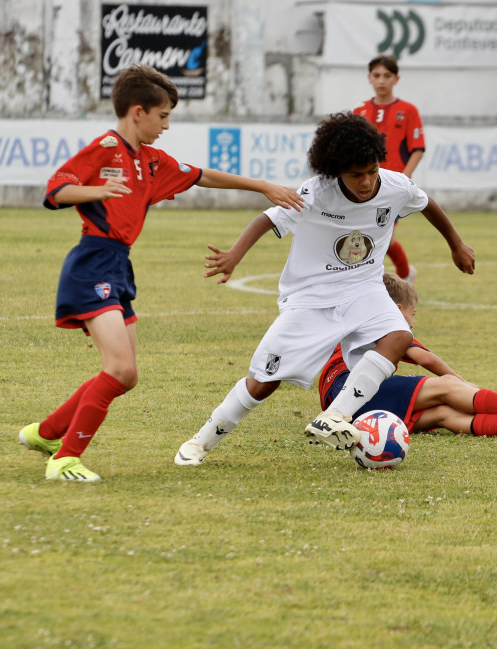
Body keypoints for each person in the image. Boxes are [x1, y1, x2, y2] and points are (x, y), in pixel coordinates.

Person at [18, 64, 306, 483]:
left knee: (126, 375)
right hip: (91, 263)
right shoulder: (105, 147)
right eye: (163, 116)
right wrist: (97, 189)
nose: (166, 125)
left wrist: (262, 186)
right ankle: (64, 459)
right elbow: (56, 190)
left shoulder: (150, 161)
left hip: (118, 265)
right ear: (138, 112)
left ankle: (44, 434)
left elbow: (201, 175)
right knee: (118, 369)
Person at [174, 111, 474, 467]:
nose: (365, 182)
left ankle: (335, 416)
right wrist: (234, 255)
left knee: (398, 335)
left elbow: (427, 205)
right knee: (264, 382)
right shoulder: (315, 192)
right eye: (355, 175)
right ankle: (202, 440)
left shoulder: (396, 187)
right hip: (310, 296)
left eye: (371, 171)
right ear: (335, 171)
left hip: (364, 285)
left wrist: (456, 244)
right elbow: (266, 219)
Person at [318, 274, 497, 439]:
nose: (411, 322)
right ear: (397, 309)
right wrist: (462, 383)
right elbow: (426, 359)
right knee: (448, 387)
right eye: (413, 314)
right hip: (352, 389)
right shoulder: (385, 323)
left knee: (443, 413)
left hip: (344, 408)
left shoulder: (357, 322)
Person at [354, 54, 425, 284]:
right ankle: (400, 273)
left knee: (386, 236)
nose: (381, 80)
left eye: (387, 76)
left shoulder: (408, 111)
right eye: (377, 75)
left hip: (391, 184)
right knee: (367, 234)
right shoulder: (360, 112)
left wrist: (404, 178)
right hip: (363, 185)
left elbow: (417, 148)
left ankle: (404, 274)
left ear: (396, 79)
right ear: (369, 78)